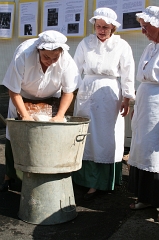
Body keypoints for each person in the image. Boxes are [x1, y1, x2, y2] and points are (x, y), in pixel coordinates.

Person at [0, 30, 81, 192]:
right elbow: (13, 90)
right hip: (22, 97)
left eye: (55, 58)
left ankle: (45, 173)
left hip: (51, 97)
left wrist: (59, 116)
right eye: (46, 57)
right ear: (39, 50)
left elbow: (68, 91)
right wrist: (25, 115)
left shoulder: (66, 61)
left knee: (49, 135)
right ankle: (9, 176)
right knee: (15, 136)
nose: (50, 61)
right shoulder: (23, 55)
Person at [72, 7, 135, 200]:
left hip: (109, 94)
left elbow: (128, 72)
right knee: (87, 134)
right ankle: (85, 179)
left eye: (105, 27)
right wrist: (71, 92)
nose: (101, 30)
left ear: (113, 27)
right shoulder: (86, 43)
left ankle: (103, 181)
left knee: (106, 137)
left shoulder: (121, 45)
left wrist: (127, 98)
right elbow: (74, 69)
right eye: (98, 26)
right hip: (87, 90)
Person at [127, 6, 159, 220]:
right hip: (145, 103)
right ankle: (146, 197)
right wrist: (136, 104)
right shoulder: (150, 48)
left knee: (156, 152)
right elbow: (144, 77)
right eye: (142, 26)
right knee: (141, 149)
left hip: (157, 106)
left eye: (146, 26)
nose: (143, 31)